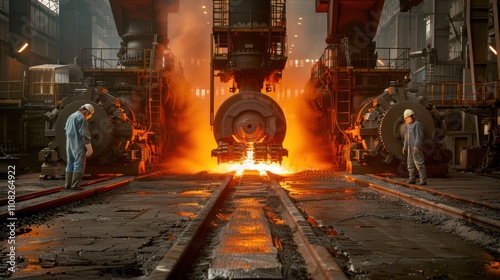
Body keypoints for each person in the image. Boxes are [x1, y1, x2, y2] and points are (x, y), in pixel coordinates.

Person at [64, 104, 94, 190]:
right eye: (88, 115)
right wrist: (89, 147)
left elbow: (66, 129)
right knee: (79, 163)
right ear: (87, 111)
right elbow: (84, 133)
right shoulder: (81, 118)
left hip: (69, 144)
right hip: (78, 144)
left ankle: (67, 184)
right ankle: (75, 185)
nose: (87, 117)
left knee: (70, 163)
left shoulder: (71, 116)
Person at [402, 109, 427, 185]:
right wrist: (405, 146)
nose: (406, 120)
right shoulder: (408, 126)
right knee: (410, 163)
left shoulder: (417, 124)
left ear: (411, 117)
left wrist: (417, 146)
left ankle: (423, 180)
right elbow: (406, 137)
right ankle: (412, 178)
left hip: (416, 147)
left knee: (419, 163)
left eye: (406, 118)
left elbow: (419, 136)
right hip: (410, 147)